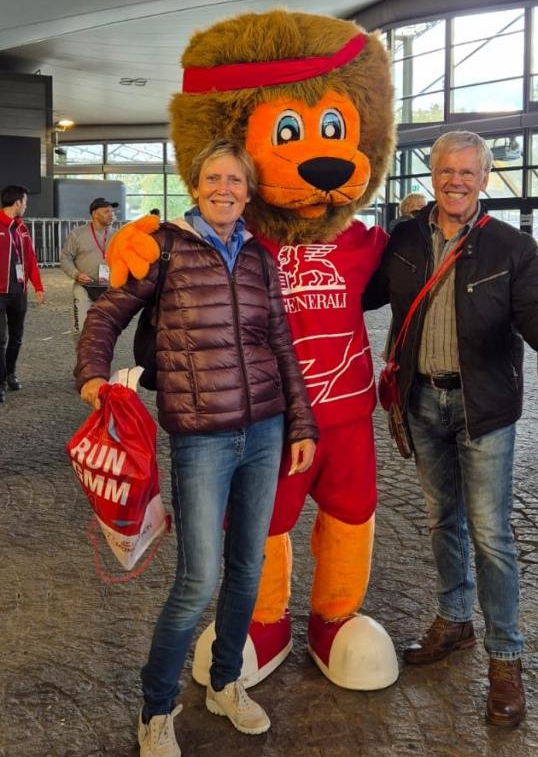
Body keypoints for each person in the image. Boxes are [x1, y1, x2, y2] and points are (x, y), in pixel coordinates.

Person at [75, 138, 317, 757]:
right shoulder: (165, 247)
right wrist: (92, 374)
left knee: (247, 567)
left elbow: (282, 343)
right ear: (196, 185)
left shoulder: (259, 256)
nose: (224, 190)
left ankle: (225, 681)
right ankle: (156, 709)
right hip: (201, 435)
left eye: (235, 180)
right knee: (198, 577)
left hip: (264, 430)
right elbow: (106, 313)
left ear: (248, 191)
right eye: (214, 179)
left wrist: (301, 424)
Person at [363, 131, 538, 727]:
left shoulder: (511, 246)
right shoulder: (406, 238)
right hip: (422, 401)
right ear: (432, 176)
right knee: (441, 521)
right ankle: (455, 620)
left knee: (490, 534)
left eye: (467, 172)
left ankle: (505, 656)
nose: (456, 181)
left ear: (484, 179)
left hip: (483, 408)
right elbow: (364, 292)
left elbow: (533, 316)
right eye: (445, 171)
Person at [0, 184, 45, 402]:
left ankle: (10, 373)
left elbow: (30, 259)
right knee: (0, 339)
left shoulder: (22, 229)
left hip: (19, 292)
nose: (26, 206)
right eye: (25, 202)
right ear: (17, 202)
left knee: (16, 338)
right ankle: (0, 382)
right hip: (0, 293)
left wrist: (38, 286)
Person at [59, 197, 118, 333]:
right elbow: (65, 258)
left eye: (112, 212)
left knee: (107, 330)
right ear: (94, 214)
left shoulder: (117, 235)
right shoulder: (77, 234)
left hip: (110, 289)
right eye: (106, 212)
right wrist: (76, 274)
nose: (111, 215)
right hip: (84, 287)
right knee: (82, 330)